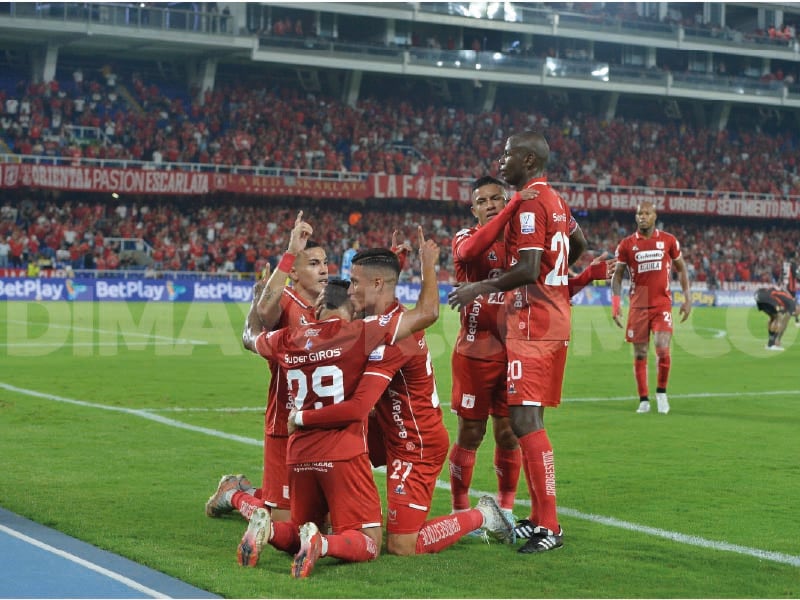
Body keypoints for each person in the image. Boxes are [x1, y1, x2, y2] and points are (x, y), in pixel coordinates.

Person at [236, 229, 510, 576]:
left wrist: (302, 417)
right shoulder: (373, 325)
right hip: (383, 434)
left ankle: (484, 514)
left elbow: (357, 407)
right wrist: (405, 260)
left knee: (400, 546)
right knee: (332, 510)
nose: (348, 290)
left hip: (415, 443)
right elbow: (397, 305)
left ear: (377, 284)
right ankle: (317, 521)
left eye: (354, 282)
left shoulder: (393, 338)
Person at [448, 175, 611, 539]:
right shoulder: (465, 237)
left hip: (515, 349)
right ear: (472, 208)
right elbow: (468, 254)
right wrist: (513, 205)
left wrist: (587, 276)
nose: (490, 204)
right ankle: (459, 509)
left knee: (508, 434)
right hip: (474, 353)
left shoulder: (524, 243)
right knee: (470, 433)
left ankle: (506, 509)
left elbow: (550, 284)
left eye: (497, 198)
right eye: (483, 201)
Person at [205, 212, 328, 529]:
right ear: (296, 273)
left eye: (325, 262)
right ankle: (234, 494)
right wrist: (290, 251)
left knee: (317, 515)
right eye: (313, 263)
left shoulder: (329, 306)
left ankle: (250, 490)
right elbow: (264, 309)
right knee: (281, 523)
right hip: (285, 422)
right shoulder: (287, 300)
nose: (324, 268)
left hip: (321, 422)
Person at [610, 201, 691, 415]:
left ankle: (662, 393)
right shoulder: (626, 245)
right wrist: (616, 303)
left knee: (662, 347)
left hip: (661, 301)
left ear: (654, 216)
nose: (643, 216)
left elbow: (682, 269)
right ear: (636, 217)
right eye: (639, 213)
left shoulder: (668, 240)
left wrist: (687, 298)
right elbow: (617, 276)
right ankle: (644, 399)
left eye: (647, 213)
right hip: (638, 303)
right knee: (640, 353)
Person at [755, 286, 797, 350]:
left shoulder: (785, 296)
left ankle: (770, 343)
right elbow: (785, 322)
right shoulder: (792, 304)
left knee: (773, 317)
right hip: (767, 297)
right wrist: (778, 339)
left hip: (758, 295)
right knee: (779, 317)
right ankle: (773, 344)